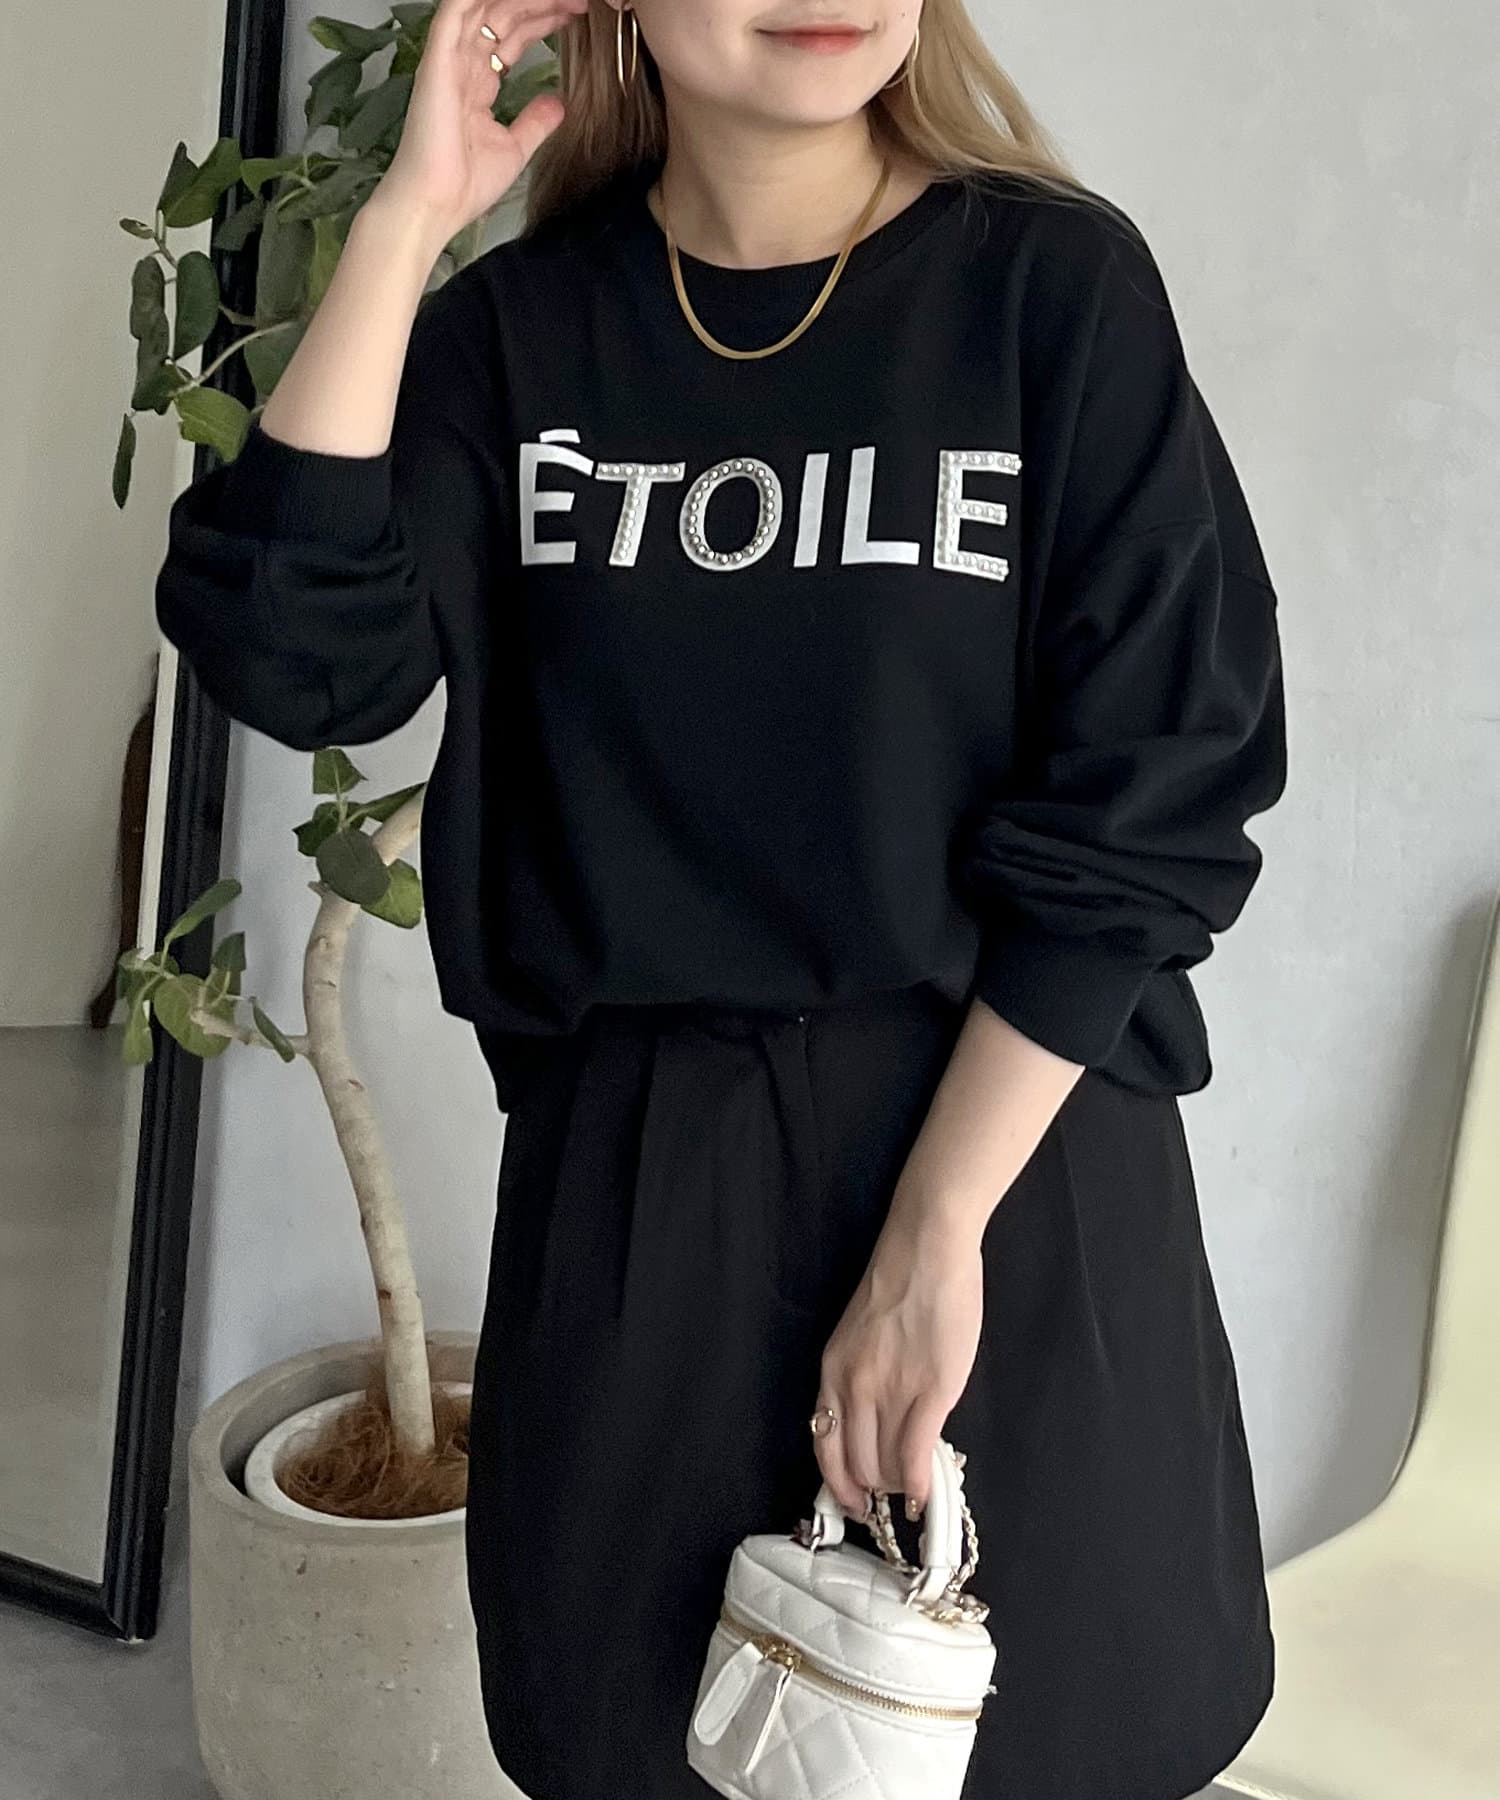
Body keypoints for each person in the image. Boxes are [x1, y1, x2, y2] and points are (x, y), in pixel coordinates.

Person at [154, 1, 1289, 1796]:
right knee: (639, 1743)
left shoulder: (1049, 291)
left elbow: (1160, 778)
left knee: (1050, 1747)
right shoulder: (514, 338)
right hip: (643, 1199)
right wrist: (410, 213)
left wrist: (933, 1235)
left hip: (1011, 1166)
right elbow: (295, 657)